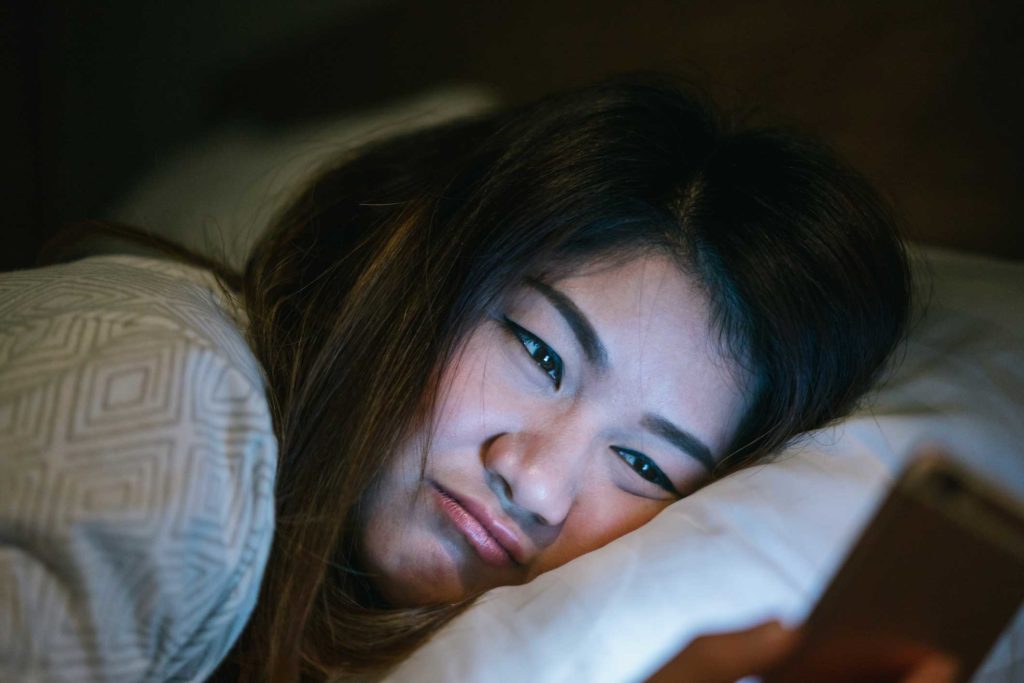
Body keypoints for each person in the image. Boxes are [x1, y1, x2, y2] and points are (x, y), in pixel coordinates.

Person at [19, 76, 923, 681]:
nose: (532, 479)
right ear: (426, 266)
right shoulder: (176, 404)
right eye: (539, 353)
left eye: (645, 466)